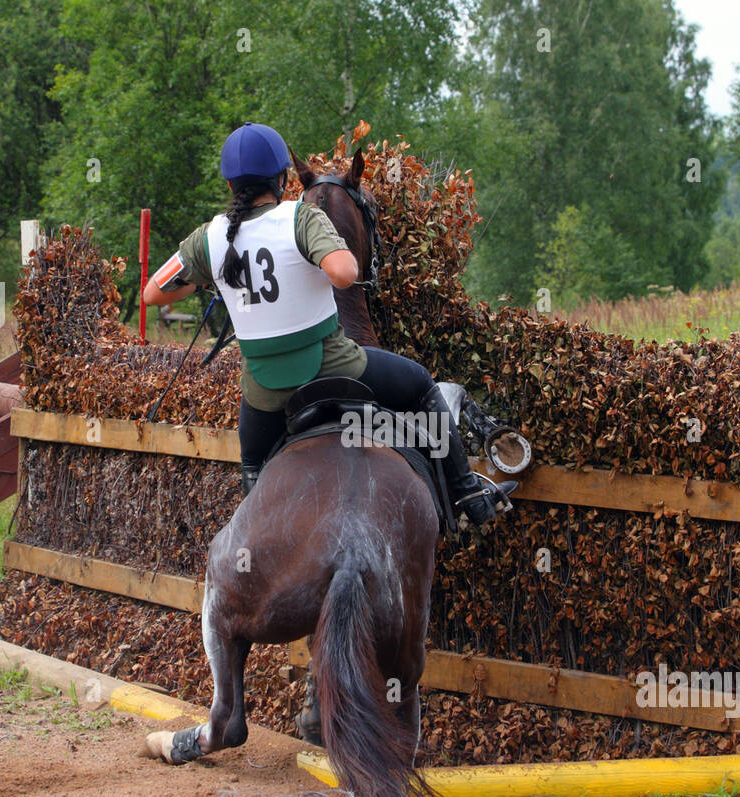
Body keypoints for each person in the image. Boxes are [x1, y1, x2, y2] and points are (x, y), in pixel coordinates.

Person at [143, 121, 513, 526]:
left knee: (252, 462)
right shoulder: (301, 217)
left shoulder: (208, 238)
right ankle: (469, 494)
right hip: (333, 365)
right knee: (422, 385)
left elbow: (153, 293)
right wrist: (334, 259)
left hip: (266, 392)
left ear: (231, 185)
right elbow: (343, 274)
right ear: (282, 179)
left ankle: (254, 527)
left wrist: (210, 277)